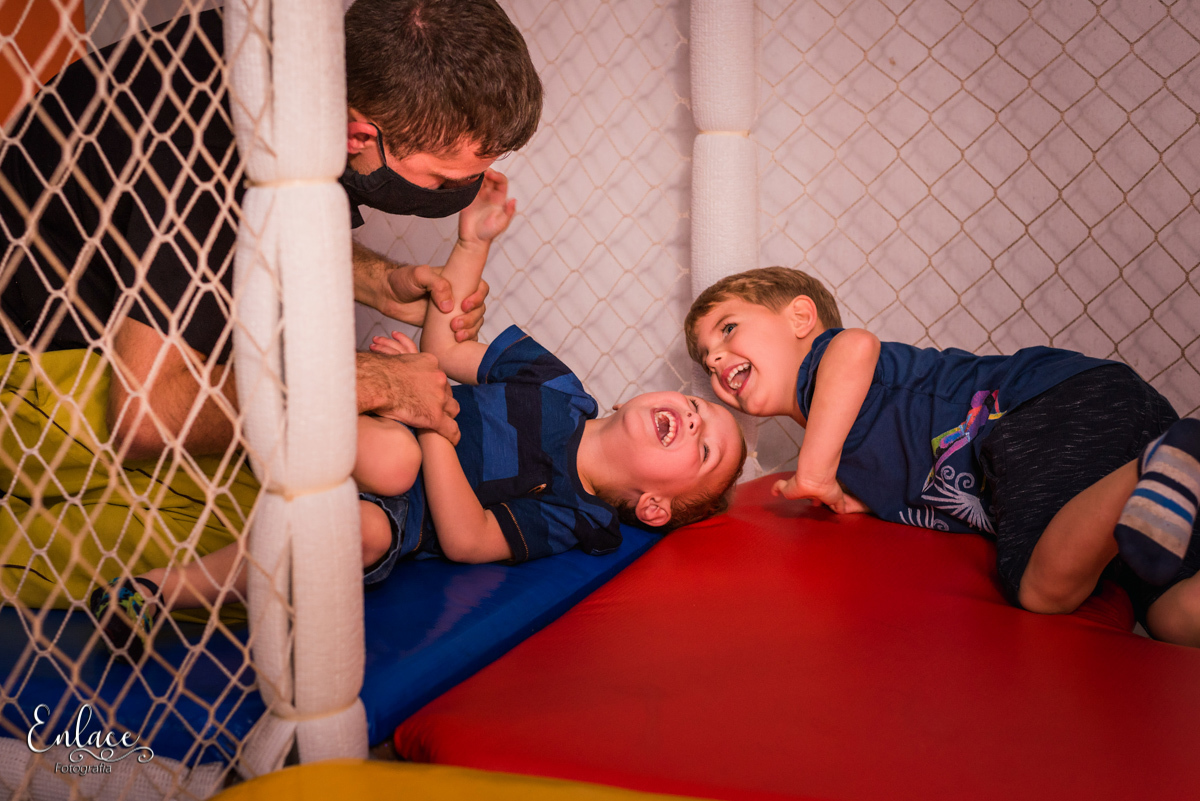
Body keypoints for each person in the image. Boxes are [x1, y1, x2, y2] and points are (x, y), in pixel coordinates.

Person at [0, 0, 542, 611]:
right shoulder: (212, 145)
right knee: (298, 539)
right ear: (357, 133)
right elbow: (148, 416)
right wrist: (367, 383)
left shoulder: (281, 58)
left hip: (102, 341)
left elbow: (248, 232)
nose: (458, 194)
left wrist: (378, 281)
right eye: (444, 181)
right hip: (38, 378)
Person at [91, 171, 748, 661]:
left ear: (655, 506)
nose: (692, 418)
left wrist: (436, 425)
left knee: (364, 530)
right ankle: (257, 397)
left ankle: (157, 592)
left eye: (704, 445)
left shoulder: (578, 516)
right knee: (392, 454)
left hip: (407, 516)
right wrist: (472, 245)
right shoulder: (559, 385)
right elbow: (447, 349)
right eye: (695, 406)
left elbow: (466, 539)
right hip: (390, 429)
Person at [684, 266, 1200, 647]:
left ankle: (1151, 466)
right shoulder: (842, 447)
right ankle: (1170, 466)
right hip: (1107, 425)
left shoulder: (827, 364)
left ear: (800, 317)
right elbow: (916, 485)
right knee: (1171, 615)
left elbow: (857, 347)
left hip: (1040, 409)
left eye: (727, 329)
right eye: (706, 358)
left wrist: (814, 472)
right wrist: (854, 497)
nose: (716, 358)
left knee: (1043, 591)